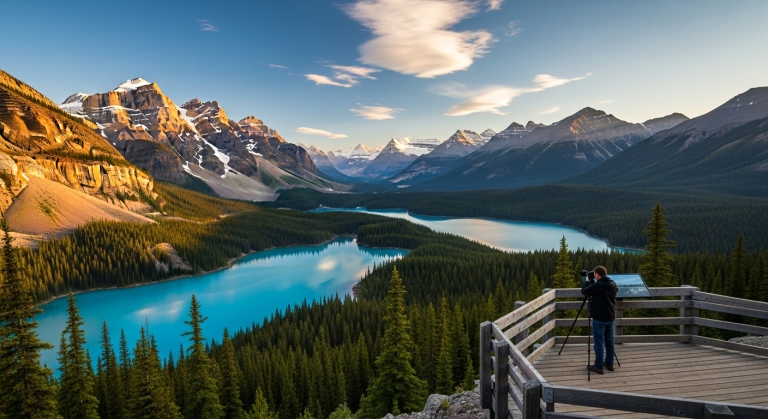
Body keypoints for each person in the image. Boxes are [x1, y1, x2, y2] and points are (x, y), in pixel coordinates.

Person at [581, 266, 618, 374]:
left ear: (597, 275)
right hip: (610, 317)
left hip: (599, 318)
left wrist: (588, 281)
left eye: (595, 274)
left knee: (598, 342)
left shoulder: (598, 285)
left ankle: (598, 366)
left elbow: (585, 291)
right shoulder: (613, 283)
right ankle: (609, 363)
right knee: (609, 341)